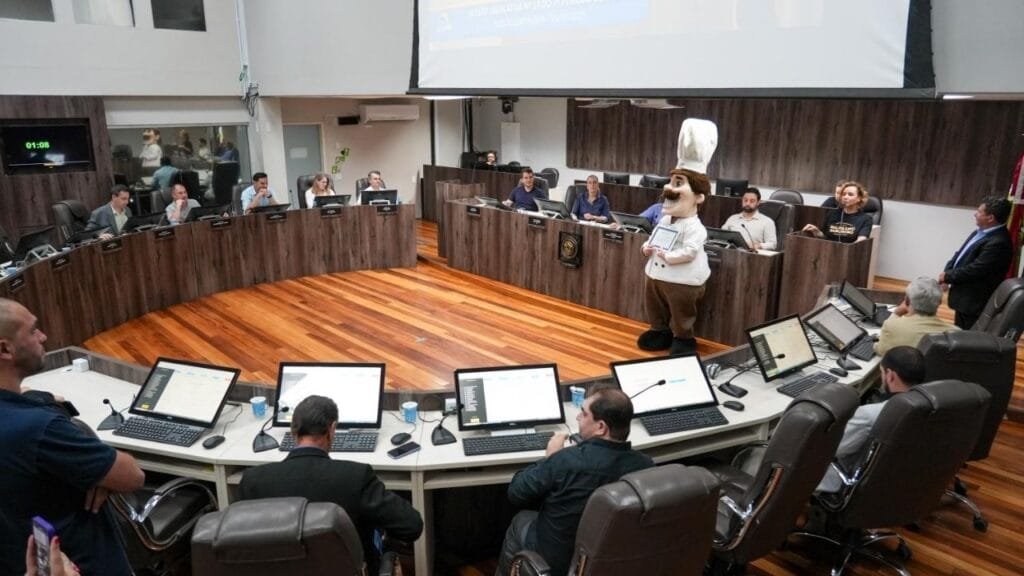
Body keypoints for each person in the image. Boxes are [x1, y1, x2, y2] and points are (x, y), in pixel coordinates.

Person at [0, 298, 145, 575]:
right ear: (5, 349)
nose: (43, 336)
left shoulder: (29, 413)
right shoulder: (40, 428)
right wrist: (96, 471)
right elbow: (132, 476)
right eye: (32, 331)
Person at [239, 395, 422, 574]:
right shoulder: (355, 477)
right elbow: (412, 526)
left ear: (293, 431)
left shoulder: (252, 482)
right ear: (332, 429)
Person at [495, 386, 653, 576]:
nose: (578, 418)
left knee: (521, 520)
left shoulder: (566, 461)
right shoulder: (646, 466)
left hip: (559, 561)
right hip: (611, 559)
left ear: (601, 427)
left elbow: (516, 492)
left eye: (583, 413)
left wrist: (550, 457)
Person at [636, 117, 718, 356]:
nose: (669, 189)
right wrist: (647, 248)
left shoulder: (695, 227)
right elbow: (653, 239)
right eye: (672, 182)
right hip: (656, 276)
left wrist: (669, 257)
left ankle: (683, 338)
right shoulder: (664, 219)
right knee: (656, 306)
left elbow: (690, 252)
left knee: (682, 311)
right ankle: (660, 330)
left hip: (682, 281)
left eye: (679, 183)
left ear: (699, 197)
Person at [816, 346, 926, 494]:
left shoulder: (869, 415)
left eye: (881, 373)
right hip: (902, 478)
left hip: (850, 481)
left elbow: (834, 450)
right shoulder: (930, 406)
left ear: (890, 375)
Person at [939, 195, 1013, 329]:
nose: (975, 214)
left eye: (979, 212)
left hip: (974, 302)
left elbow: (976, 269)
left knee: (968, 336)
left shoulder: (999, 242)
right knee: (959, 330)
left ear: (990, 218)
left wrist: (948, 276)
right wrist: (947, 273)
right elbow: (959, 255)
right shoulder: (979, 232)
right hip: (963, 298)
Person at [875, 277, 959, 356]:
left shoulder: (892, 326)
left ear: (907, 301)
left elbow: (880, 350)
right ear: (940, 302)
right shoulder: (957, 334)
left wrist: (896, 313)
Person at [802, 180, 872, 243]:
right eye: (843, 194)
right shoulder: (832, 214)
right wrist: (816, 231)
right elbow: (825, 237)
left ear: (859, 198)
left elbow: (861, 240)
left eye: (850, 194)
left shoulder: (865, 219)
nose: (845, 197)